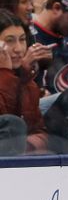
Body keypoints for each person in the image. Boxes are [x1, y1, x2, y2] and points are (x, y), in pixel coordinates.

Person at [0, 9, 46, 154]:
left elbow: (41, 133)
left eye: (22, 39)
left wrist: (25, 145)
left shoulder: (28, 84)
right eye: (9, 41)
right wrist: (5, 74)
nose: (19, 49)